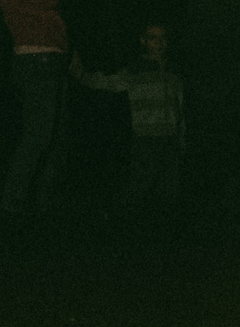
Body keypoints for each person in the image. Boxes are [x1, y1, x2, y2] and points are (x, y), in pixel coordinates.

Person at [0, 0, 70, 215]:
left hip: (53, 58)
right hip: (35, 60)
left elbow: (50, 16)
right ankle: (11, 204)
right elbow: (47, 1)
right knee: (38, 132)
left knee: (59, 138)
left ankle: (44, 205)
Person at [74, 23, 186, 214]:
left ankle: (165, 232)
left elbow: (180, 108)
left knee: (169, 190)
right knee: (139, 185)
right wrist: (81, 75)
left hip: (170, 139)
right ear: (143, 41)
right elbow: (108, 82)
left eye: (163, 38)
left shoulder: (173, 72)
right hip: (145, 138)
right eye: (153, 38)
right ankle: (124, 225)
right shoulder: (136, 71)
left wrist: (181, 137)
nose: (159, 43)